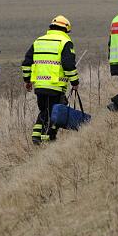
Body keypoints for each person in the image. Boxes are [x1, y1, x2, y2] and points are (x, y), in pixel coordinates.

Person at [21, 15, 80, 143]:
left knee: (44, 111)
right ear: (66, 29)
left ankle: (37, 136)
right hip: (55, 85)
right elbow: (69, 65)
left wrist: (27, 80)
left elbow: (26, 63)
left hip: (40, 85)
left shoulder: (39, 41)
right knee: (54, 112)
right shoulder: (65, 42)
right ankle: (49, 138)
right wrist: (75, 82)